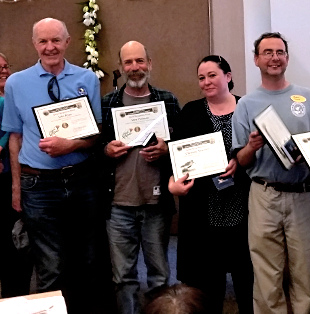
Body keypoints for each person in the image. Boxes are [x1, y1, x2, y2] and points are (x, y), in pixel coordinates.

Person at [1, 18, 102, 313]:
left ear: (68, 42)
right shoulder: (17, 83)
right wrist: (16, 188)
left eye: (56, 40)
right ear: (34, 44)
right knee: (50, 265)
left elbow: (94, 134)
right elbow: (15, 138)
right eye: (43, 41)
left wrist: (71, 145)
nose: (50, 47)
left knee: (88, 260)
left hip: (82, 182)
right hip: (38, 186)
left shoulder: (87, 79)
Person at [231, 32, 310, 313]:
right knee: (267, 276)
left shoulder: (308, 98)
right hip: (264, 195)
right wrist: (251, 146)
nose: (274, 58)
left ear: (287, 57)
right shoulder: (246, 104)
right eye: (268, 52)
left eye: (280, 52)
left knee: (304, 273)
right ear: (256, 59)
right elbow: (242, 160)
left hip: (304, 195)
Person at [168, 55, 253, 314]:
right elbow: (177, 156)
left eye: (212, 75)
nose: (206, 82)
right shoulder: (191, 112)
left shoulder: (247, 108)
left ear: (228, 76)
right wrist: (173, 183)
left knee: (248, 284)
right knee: (206, 290)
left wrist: (240, 162)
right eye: (201, 78)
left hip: (244, 210)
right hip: (204, 213)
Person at [101, 41, 181, 314]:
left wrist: (166, 149)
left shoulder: (168, 100)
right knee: (123, 278)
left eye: (139, 61)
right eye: (128, 62)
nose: (134, 68)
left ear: (150, 62)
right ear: (121, 66)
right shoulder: (108, 103)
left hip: (156, 203)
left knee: (159, 275)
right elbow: (96, 148)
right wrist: (106, 149)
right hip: (118, 204)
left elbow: (183, 147)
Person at [0, 52, 33, 298]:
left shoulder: (13, 97)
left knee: (17, 242)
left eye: (5, 66)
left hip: (15, 179)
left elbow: (15, 131)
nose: (4, 71)